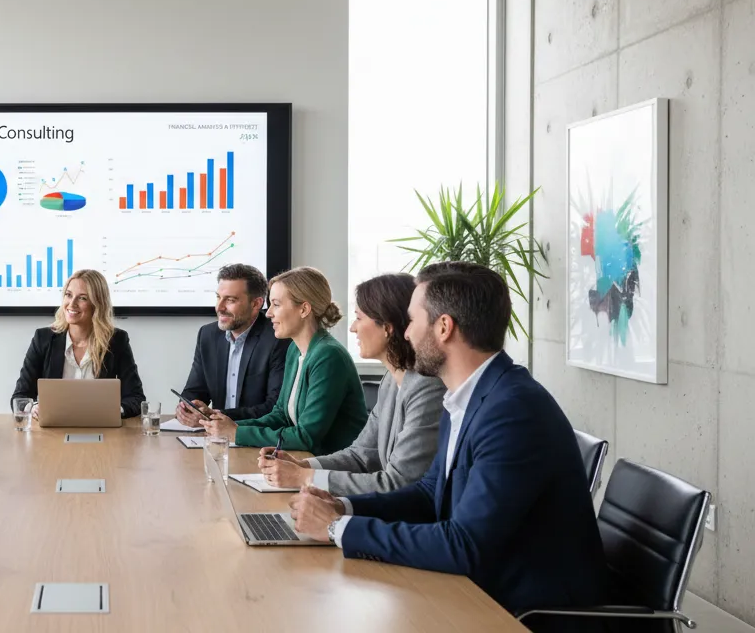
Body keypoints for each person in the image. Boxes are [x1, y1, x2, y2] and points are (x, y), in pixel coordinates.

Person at [288, 262, 609, 630]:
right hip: (481, 589)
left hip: (525, 612)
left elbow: (465, 545)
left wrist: (337, 529)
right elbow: (429, 495)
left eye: (412, 321)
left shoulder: (512, 412)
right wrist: (344, 507)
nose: (405, 334)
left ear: (444, 327)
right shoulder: (471, 397)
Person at [257, 273, 444, 494]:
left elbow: (399, 483)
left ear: (387, 326)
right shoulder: (390, 381)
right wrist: (303, 466)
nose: (353, 327)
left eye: (359, 317)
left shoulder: (426, 387)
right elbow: (361, 454)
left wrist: (305, 477)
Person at [201, 266, 367, 454]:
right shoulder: (295, 350)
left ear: (304, 309)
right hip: (304, 460)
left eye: (276, 304)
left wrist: (237, 433)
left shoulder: (328, 356)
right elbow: (280, 415)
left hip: (334, 469)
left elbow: (306, 437)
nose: (269, 313)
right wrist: (229, 425)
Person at [11, 269, 146, 418]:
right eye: (68, 295)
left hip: (101, 429)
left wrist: (112, 411)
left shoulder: (116, 340)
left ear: (97, 304)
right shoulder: (43, 338)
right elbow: (20, 397)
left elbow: (136, 398)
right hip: (52, 431)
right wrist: (34, 408)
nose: (72, 304)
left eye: (82, 298)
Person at [174, 264, 288, 426]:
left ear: (256, 304)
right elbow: (196, 390)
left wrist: (217, 415)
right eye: (218, 297)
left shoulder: (277, 339)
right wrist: (187, 408)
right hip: (215, 438)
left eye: (230, 300)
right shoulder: (208, 335)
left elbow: (274, 407)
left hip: (255, 436)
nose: (219, 307)